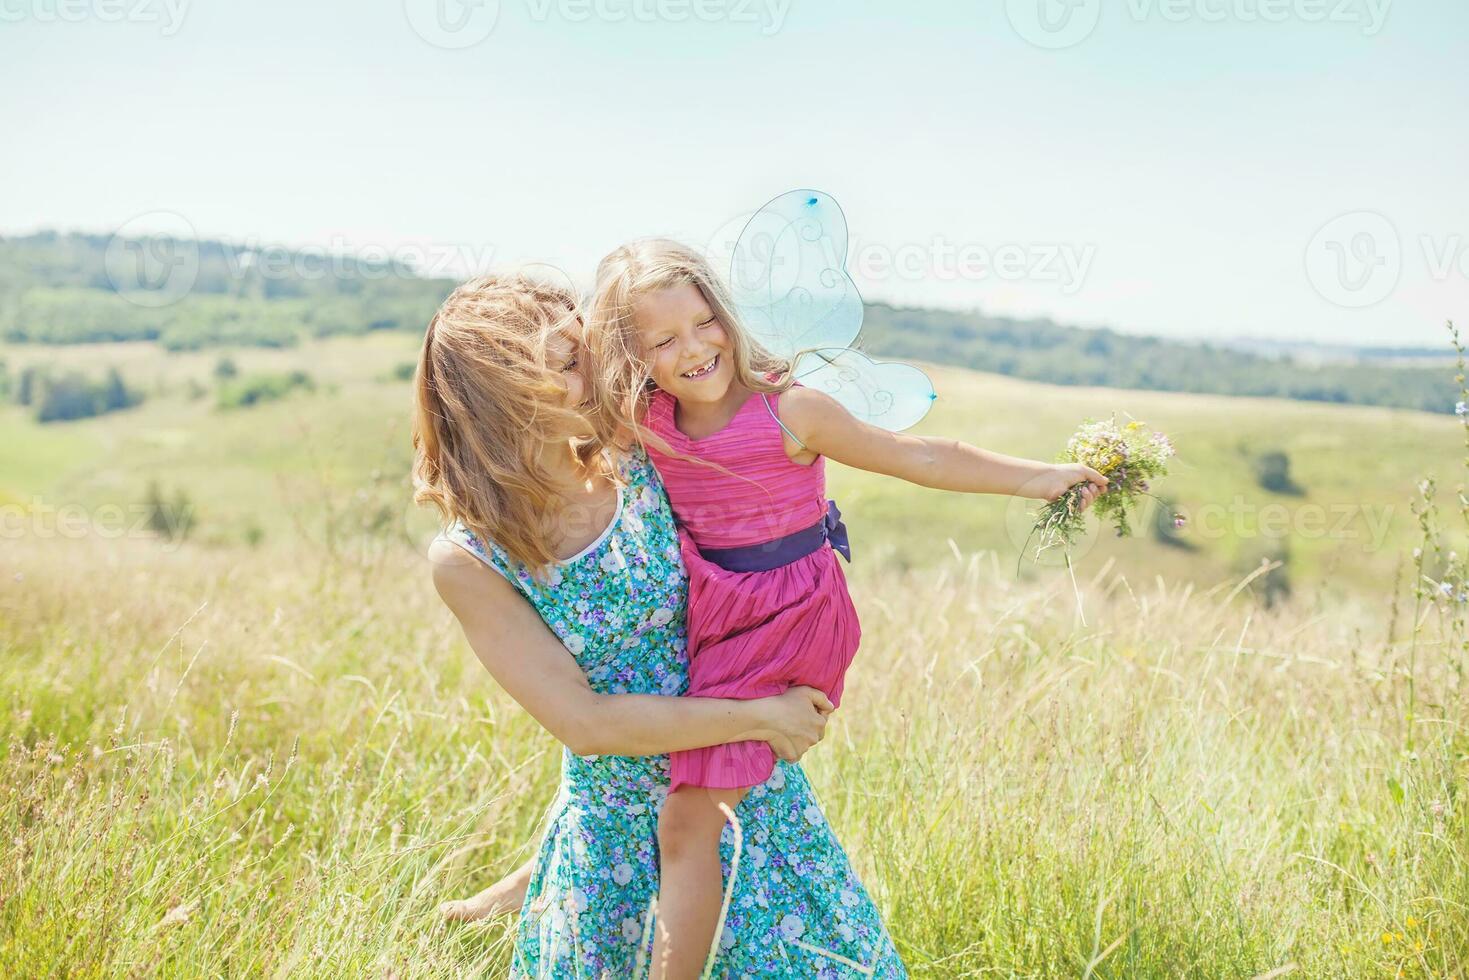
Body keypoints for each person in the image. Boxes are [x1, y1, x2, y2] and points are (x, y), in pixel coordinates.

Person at [584, 238, 1109, 977]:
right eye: (663, 340)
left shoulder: (790, 412)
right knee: (636, 778)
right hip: (713, 610)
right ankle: (542, 886)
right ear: (632, 356)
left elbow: (921, 456)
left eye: (704, 323)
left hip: (789, 618)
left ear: (725, 315)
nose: (696, 348)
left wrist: (1043, 477)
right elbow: (556, 414)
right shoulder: (651, 420)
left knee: (687, 820)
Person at [417, 272, 907, 977]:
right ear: (497, 396)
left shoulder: (644, 454)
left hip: (742, 801)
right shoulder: (472, 558)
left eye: (582, 351)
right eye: (558, 365)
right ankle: (533, 880)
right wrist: (762, 714)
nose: (588, 376)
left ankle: (523, 883)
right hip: (616, 840)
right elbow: (587, 723)